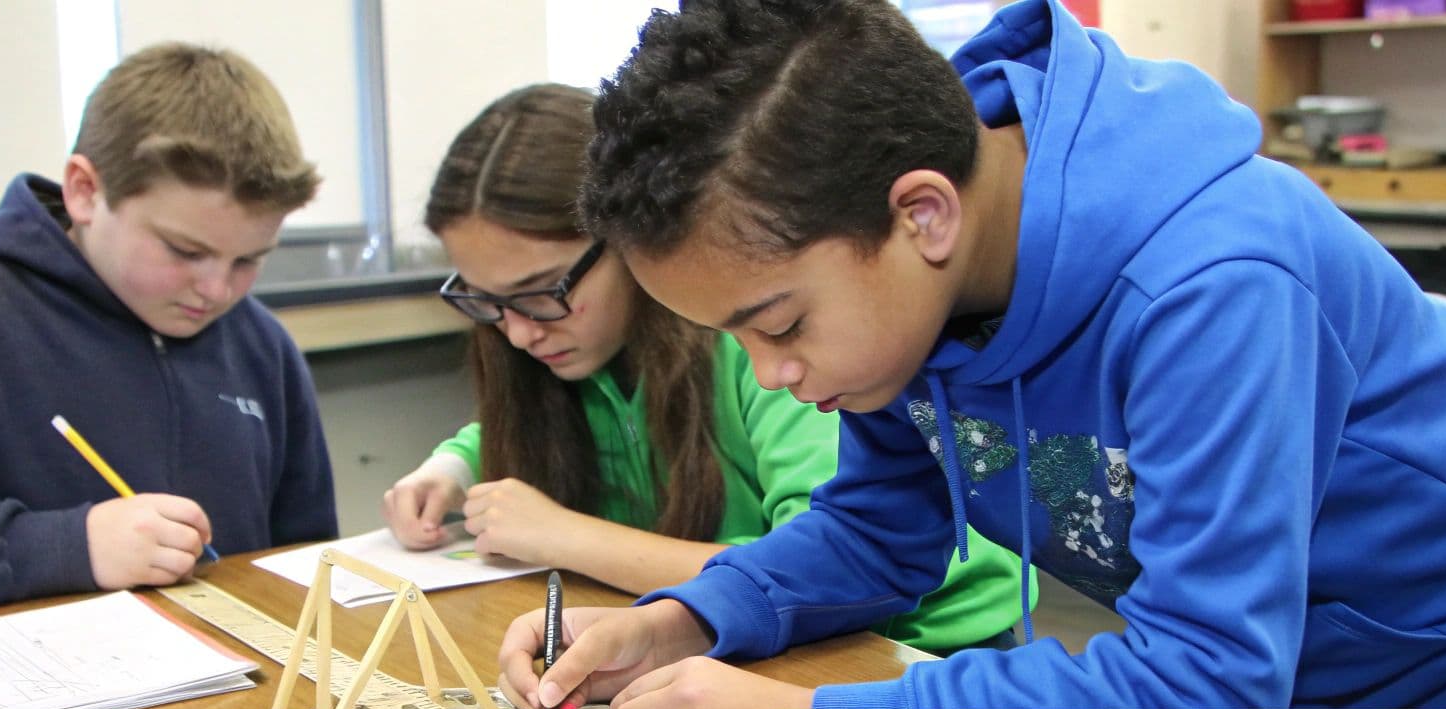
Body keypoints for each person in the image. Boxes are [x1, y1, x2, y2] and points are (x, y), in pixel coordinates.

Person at [500, 1, 1446, 709]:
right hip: (1263, 671)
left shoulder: (1207, 281)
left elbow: (1201, 695)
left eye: (779, 324)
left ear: (922, 216)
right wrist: (687, 619)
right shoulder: (899, 300)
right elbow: (880, 529)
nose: (766, 372)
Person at [381, 83, 1029, 657]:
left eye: (540, 292)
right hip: (765, 629)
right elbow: (842, 552)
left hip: (908, 647)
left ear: (632, 242)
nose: (519, 331)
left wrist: (566, 538)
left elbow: (838, 562)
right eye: (485, 302)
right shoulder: (575, 347)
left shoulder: (782, 342)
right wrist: (457, 464)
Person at [0, 43, 337, 622]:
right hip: (15, 693)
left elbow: (302, 557)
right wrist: (67, 548)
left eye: (249, 260)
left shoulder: (262, 346)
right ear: (83, 191)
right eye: (184, 250)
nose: (217, 290)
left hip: (223, 690)